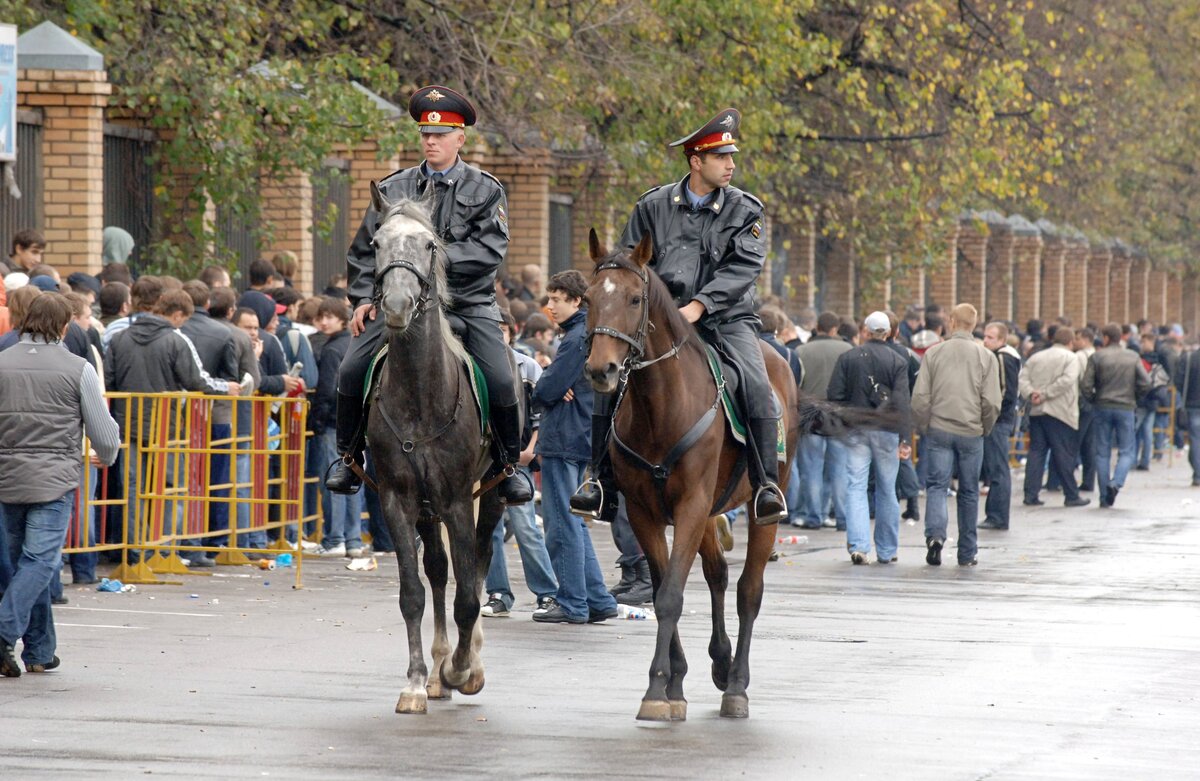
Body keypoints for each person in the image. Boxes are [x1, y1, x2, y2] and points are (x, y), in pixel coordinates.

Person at [572, 108, 787, 526]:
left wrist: (701, 304)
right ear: (696, 161)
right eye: (722, 158)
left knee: (759, 385)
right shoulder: (652, 205)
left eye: (731, 157)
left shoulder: (745, 210)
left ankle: (764, 485)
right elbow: (627, 263)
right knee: (609, 379)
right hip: (657, 320)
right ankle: (598, 480)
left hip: (726, 320)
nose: (731, 165)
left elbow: (744, 268)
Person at [324, 85, 530, 506]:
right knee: (349, 370)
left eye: (441, 134)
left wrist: (428, 257)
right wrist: (362, 298)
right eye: (425, 134)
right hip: (399, 303)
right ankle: (348, 457)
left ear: (461, 139)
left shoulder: (485, 189)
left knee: (503, 378)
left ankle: (509, 466)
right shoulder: (393, 188)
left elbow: (490, 250)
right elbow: (365, 249)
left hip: (467, 302)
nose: (431, 141)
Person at [0, 293, 120, 677]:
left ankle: (39, 648)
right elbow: (103, 431)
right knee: (40, 562)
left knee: (25, 565)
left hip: (7, 478)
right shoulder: (78, 368)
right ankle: (4, 633)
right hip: (54, 478)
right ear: (65, 326)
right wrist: (108, 453)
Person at [531, 271, 618, 625]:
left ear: (576, 301)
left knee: (561, 523)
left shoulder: (575, 337)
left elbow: (549, 389)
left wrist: (541, 388)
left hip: (564, 436)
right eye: (549, 298)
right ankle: (597, 599)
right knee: (577, 522)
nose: (549, 306)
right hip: (579, 435)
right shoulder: (584, 332)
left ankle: (571, 602)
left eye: (556, 299)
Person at [911, 303, 1001, 567]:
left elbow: (920, 397)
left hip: (939, 428)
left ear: (951, 321)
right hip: (971, 430)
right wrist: (984, 426)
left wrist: (925, 424)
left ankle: (935, 536)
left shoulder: (934, 353)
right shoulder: (986, 357)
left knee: (937, 486)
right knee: (970, 491)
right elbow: (992, 401)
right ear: (974, 325)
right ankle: (967, 551)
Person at [481, 313, 559, 617]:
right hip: (485, 461)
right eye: (493, 329)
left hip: (517, 461)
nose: (499, 335)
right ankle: (498, 593)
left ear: (512, 331)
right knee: (490, 530)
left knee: (526, 527)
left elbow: (541, 413)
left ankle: (547, 593)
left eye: (502, 330)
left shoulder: (527, 366)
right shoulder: (477, 365)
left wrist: (530, 449)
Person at [826, 311, 910, 564]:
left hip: (856, 428)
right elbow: (902, 402)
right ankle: (887, 550)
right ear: (889, 333)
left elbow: (835, 394)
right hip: (886, 429)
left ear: (865, 331)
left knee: (856, 486)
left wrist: (844, 421)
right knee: (887, 488)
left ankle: (859, 546)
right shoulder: (897, 360)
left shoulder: (848, 357)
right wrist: (905, 438)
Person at [310, 297, 366, 558]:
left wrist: (317, 423)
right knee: (354, 482)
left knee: (333, 482)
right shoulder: (356, 344)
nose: (323, 322)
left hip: (333, 424)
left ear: (343, 319)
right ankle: (353, 539)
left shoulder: (332, 349)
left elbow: (326, 391)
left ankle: (334, 538)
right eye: (320, 317)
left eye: (329, 316)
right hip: (358, 425)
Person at [791, 311, 852, 529]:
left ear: (818, 326)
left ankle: (813, 516)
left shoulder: (801, 351)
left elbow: (795, 385)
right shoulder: (848, 350)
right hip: (838, 417)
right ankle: (842, 517)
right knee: (838, 470)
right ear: (835, 329)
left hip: (810, 416)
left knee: (811, 470)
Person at [1081, 324, 1151, 508]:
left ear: (1105, 338)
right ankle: (1116, 483)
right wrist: (1134, 397)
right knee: (1127, 450)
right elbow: (1146, 382)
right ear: (1120, 337)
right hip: (1126, 407)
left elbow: (1086, 385)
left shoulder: (1097, 356)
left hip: (1102, 406)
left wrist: (1094, 399)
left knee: (1102, 452)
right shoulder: (1132, 356)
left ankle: (1105, 495)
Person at [1019, 327, 1089, 509]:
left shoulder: (1036, 357)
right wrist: (1045, 394)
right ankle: (1071, 494)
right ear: (1070, 342)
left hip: (1037, 411)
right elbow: (1068, 380)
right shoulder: (1071, 358)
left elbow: (1023, 378)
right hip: (1061, 411)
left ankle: (1030, 494)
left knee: (1036, 452)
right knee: (1063, 453)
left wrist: (1032, 393)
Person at [979, 321, 1022, 530]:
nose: (985, 341)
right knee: (994, 467)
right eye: (985, 336)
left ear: (1002, 340)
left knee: (998, 468)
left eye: (990, 337)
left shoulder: (1004, 358)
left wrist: (992, 414)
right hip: (998, 420)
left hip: (998, 421)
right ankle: (994, 514)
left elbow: (1006, 391)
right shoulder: (998, 356)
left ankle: (997, 515)